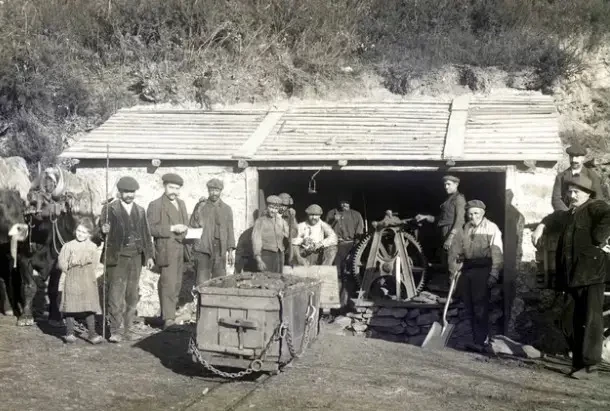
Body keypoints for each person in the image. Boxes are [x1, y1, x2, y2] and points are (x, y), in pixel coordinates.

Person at [532, 175, 610, 379]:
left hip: (592, 273)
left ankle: (591, 367)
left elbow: (608, 215)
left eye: (577, 192)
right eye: (570, 191)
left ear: (587, 194)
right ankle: (578, 363)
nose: (572, 195)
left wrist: (599, 238)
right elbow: (553, 218)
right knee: (569, 320)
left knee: (591, 320)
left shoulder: (595, 207)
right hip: (573, 276)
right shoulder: (570, 214)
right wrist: (541, 226)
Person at [99, 176, 154, 343]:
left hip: (136, 257)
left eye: (132, 192)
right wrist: (102, 230)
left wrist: (149, 256)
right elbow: (100, 235)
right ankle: (115, 330)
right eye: (126, 192)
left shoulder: (140, 210)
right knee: (115, 295)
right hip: (117, 258)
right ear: (120, 192)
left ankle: (128, 329)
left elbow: (146, 235)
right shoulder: (109, 209)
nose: (130, 195)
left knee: (132, 295)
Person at [448, 199, 503, 353]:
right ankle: (474, 340)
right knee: (468, 305)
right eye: (470, 214)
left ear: (482, 213)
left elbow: (497, 253)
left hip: (483, 269)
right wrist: (459, 256)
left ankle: (481, 341)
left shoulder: (491, 228)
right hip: (468, 268)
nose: (473, 216)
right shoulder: (466, 228)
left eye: (476, 213)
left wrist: (494, 274)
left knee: (480, 306)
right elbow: (461, 248)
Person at [147, 173, 189, 331]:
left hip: (180, 249)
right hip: (165, 250)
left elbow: (185, 224)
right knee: (168, 284)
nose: (174, 192)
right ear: (164, 186)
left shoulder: (181, 204)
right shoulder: (156, 205)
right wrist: (172, 228)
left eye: (177, 189)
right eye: (171, 187)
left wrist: (186, 230)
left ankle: (168, 314)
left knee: (177, 283)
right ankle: (168, 319)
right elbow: (150, 229)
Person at [58, 217, 103, 344]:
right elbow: (62, 262)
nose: (80, 234)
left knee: (89, 306)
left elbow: (94, 264)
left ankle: (92, 334)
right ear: (75, 230)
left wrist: (86, 272)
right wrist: (71, 270)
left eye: (84, 232)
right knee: (70, 306)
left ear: (89, 234)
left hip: (87, 279)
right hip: (72, 279)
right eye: (78, 231)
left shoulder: (92, 247)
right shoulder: (68, 246)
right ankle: (70, 333)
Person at [190, 178, 235, 286]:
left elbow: (230, 230)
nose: (214, 193)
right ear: (208, 191)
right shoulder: (202, 206)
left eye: (216, 190)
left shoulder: (227, 209)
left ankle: (216, 296)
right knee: (202, 280)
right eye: (211, 190)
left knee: (219, 279)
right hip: (204, 247)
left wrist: (230, 252)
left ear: (220, 191)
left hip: (220, 248)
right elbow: (193, 225)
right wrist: (198, 208)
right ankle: (201, 296)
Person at [415, 175, 466, 268]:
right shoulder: (449, 199)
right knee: (446, 263)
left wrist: (450, 237)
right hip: (445, 232)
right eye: (445, 184)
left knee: (453, 264)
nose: (446, 187)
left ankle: (455, 278)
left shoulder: (459, 199)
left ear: (456, 184)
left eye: (448, 184)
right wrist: (426, 217)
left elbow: (460, 220)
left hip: (454, 233)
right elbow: (442, 219)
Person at [552, 144, 603, 211]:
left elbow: (598, 199)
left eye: (577, 157)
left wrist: (585, 214)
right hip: (565, 214)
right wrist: (568, 214)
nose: (573, 160)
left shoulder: (592, 176)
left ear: (583, 158)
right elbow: (556, 199)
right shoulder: (560, 177)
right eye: (571, 156)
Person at [325, 195, 364, 271]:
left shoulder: (356, 214)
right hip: (336, 245)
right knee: (337, 268)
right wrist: (334, 220)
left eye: (346, 202)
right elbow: (326, 230)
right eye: (342, 202)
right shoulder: (331, 213)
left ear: (350, 203)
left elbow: (359, 231)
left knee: (352, 268)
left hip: (351, 244)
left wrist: (356, 245)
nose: (344, 205)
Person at [251, 195, 289, 273]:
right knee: (267, 278)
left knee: (279, 278)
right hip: (266, 255)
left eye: (276, 208)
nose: (273, 211)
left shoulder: (281, 221)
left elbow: (289, 235)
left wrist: (292, 219)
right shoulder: (260, 221)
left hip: (280, 255)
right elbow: (256, 240)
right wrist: (259, 259)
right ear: (267, 207)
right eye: (271, 207)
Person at [278, 192, 298, 265]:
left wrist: (292, 218)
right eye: (281, 205)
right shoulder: (271, 213)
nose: (283, 208)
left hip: (285, 244)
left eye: (285, 206)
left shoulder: (289, 214)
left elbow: (295, 233)